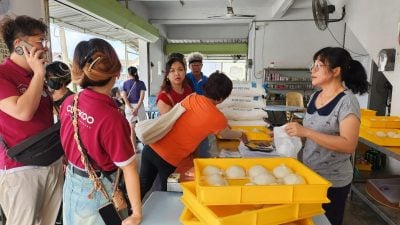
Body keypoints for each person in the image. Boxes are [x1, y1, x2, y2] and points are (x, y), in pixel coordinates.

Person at [59, 38, 142, 225]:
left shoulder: (70, 101)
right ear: (116, 72)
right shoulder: (111, 118)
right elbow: (129, 169)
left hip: (72, 182)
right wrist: (136, 213)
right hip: (96, 191)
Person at [284, 47, 369, 225]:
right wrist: (291, 133)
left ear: (336, 71)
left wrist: (306, 132)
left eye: (319, 65)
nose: (312, 70)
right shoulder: (315, 96)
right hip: (309, 174)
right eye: (312, 65)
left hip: (332, 181)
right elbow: (311, 131)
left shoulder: (347, 102)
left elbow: (348, 144)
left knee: (326, 222)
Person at [140, 71, 248, 199]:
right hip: (168, 158)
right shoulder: (217, 117)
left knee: (142, 186)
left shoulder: (192, 97)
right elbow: (225, 134)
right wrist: (241, 134)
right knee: (167, 195)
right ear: (220, 99)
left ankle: (129, 212)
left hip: (151, 146)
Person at [0, 15, 64, 225]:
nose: (44, 48)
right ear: (19, 45)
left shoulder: (37, 76)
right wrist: (38, 74)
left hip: (50, 161)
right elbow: (23, 112)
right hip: (20, 168)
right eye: (40, 42)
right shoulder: (3, 75)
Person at [121, 66, 147, 151]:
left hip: (129, 108)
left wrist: (131, 108)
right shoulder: (141, 83)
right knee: (142, 127)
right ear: (136, 72)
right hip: (139, 107)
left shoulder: (125, 84)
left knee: (132, 129)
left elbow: (124, 97)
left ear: (128, 73)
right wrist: (136, 108)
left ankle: (134, 148)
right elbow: (142, 98)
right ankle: (146, 146)